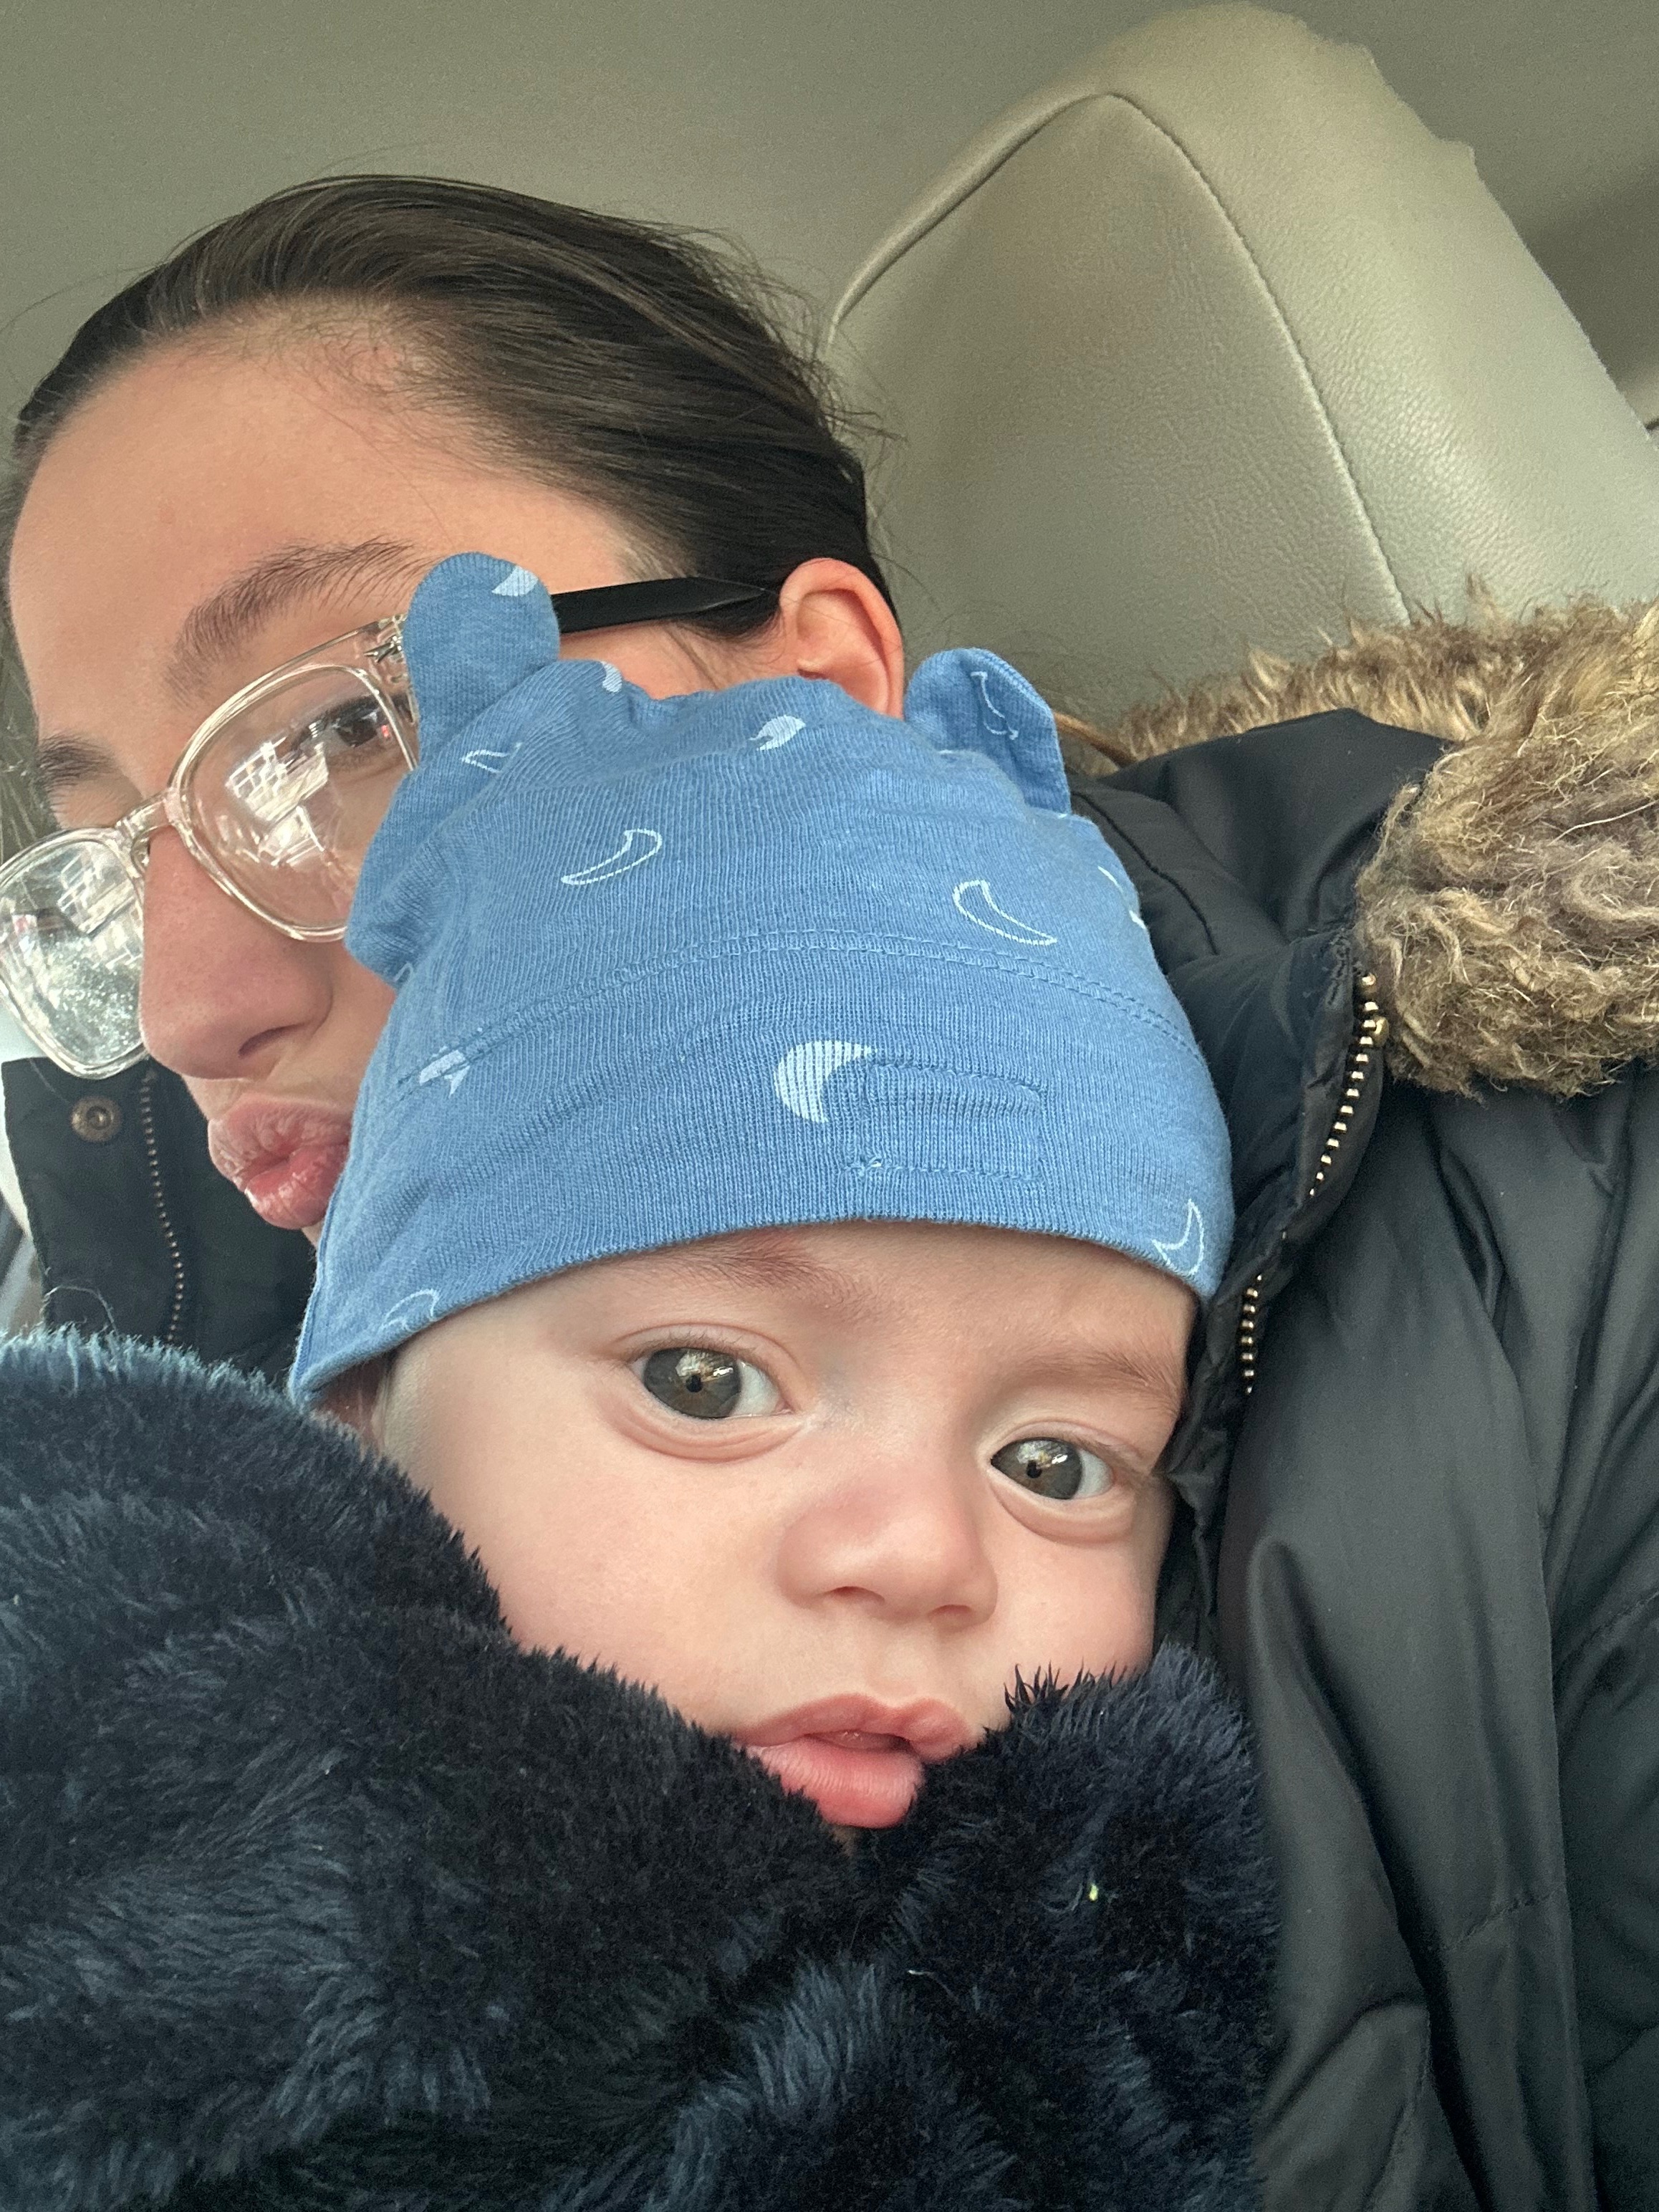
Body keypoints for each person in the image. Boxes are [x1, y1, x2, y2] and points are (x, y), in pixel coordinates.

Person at [1, 175, 1655, 2210]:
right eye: (110, 854)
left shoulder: (1572, 1235)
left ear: (822, 683)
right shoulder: (120, 1484)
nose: (187, 1008)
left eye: (347, 725)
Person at [0, 554, 1272, 2206]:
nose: (917, 1555)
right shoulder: (161, 1844)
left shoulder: (1121, 1953)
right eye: (703, 1380)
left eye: (1052, 1463)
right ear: (364, 1422)